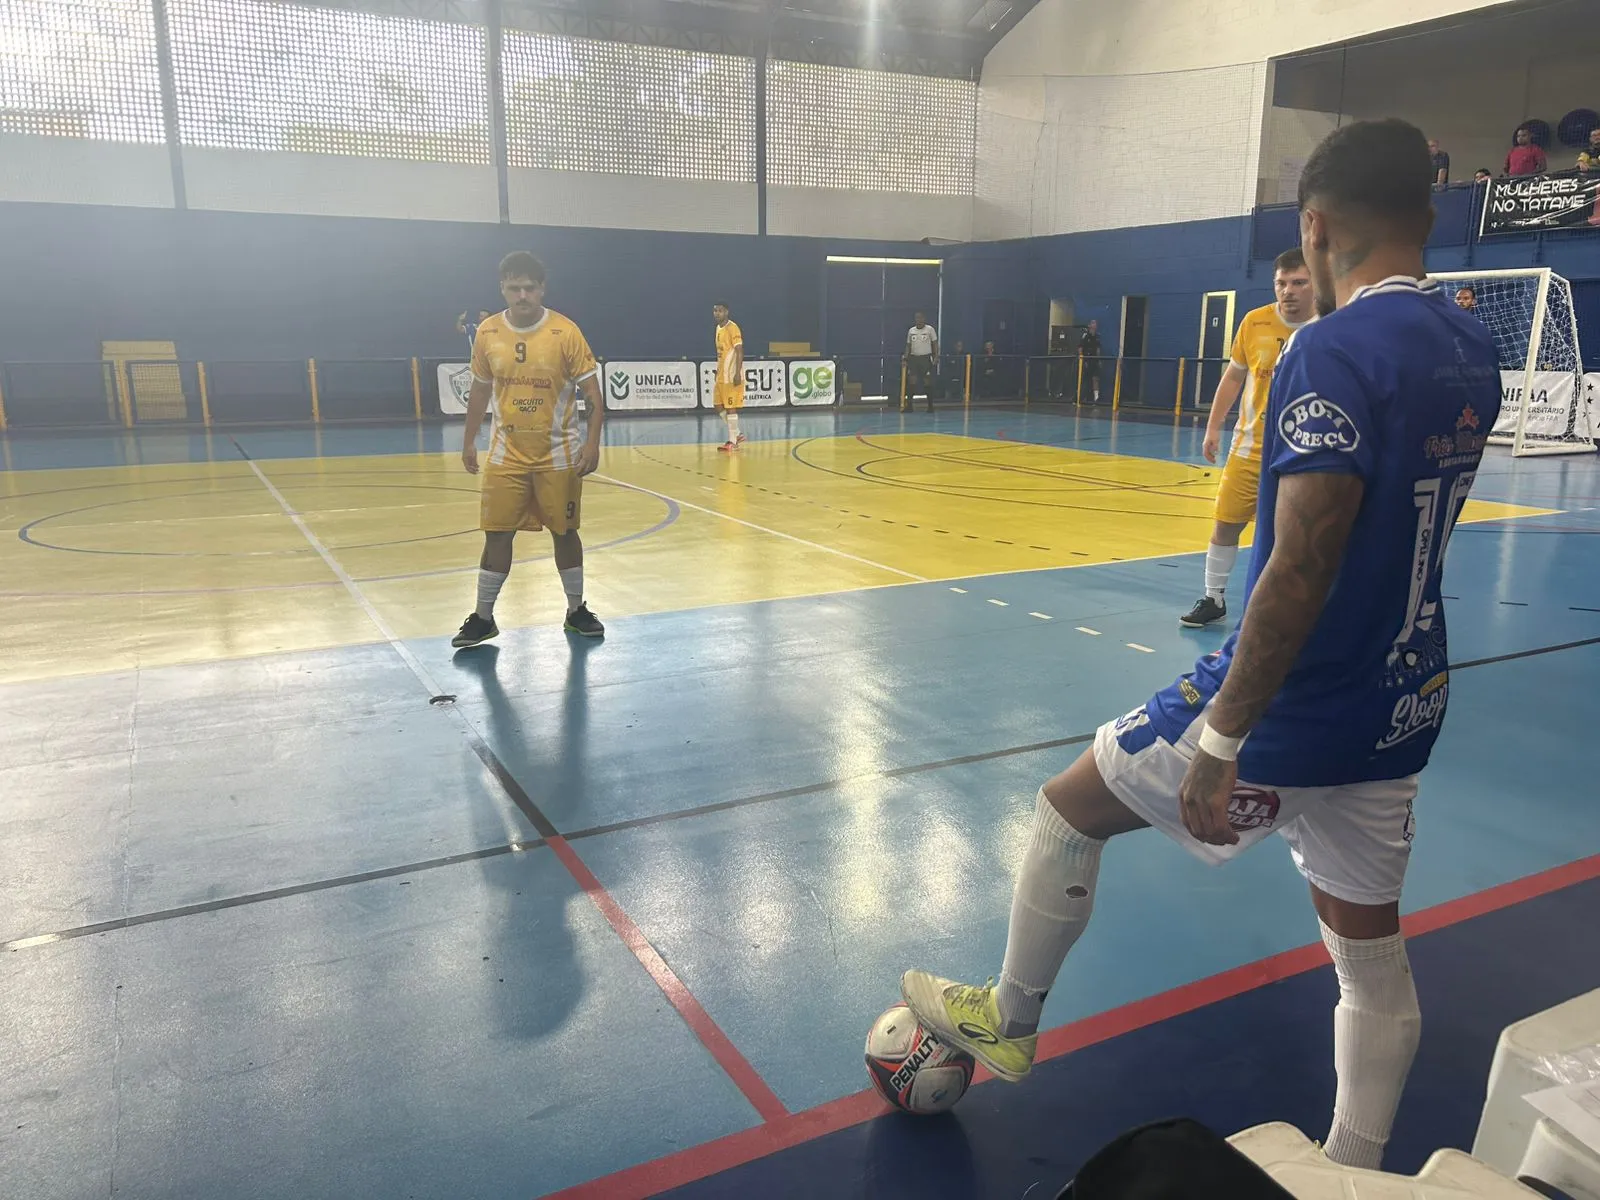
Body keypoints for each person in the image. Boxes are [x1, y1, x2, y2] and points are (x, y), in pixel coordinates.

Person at [899, 117, 1502, 1173]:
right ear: (1427, 213)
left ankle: (1008, 1013)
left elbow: (1304, 560)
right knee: (1368, 956)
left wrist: (1222, 739)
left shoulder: (1331, 346)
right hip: (1402, 702)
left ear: (1315, 228)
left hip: (1290, 704)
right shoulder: (1469, 343)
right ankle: (1349, 1168)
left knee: (1066, 807)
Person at [452, 252, 605, 648]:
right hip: (507, 455)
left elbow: (593, 394)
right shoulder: (487, 333)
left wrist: (592, 443)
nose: (522, 295)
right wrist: (469, 441)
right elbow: (480, 391)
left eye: (530, 288)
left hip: (559, 455)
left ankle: (576, 610)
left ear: (542, 289)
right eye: (514, 287)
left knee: (565, 532)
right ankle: (483, 618)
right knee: (497, 535)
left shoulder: (565, 332)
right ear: (502, 287)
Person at [1179, 247, 1315, 627]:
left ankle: (1288, 604)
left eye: (1299, 282)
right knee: (1225, 522)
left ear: (1315, 283)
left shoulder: (1331, 323)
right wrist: (1212, 426)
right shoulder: (1254, 322)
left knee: (1295, 533)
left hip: (1305, 450)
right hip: (1251, 447)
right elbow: (1235, 376)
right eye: (1281, 283)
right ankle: (1213, 597)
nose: (1288, 291)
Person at [712, 301, 745, 452]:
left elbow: (739, 350)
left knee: (731, 407)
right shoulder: (718, 328)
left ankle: (733, 442)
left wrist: (737, 373)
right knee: (718, 405)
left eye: (720, 310)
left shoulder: (733, 328)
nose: (717, 313)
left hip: (731, 375)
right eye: (715, 311)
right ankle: (737, 434)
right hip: (721, 375)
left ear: (726, 312)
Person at [905, 313, 938, 413]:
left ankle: (930, 406)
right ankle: (909, 406)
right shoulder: (911, 331)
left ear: (924, 319)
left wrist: (936, 356)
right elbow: (908, 345)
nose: (918, 320)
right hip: (914, 358)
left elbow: (935, 343)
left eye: (920, 318)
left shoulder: (930, 329)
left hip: (926, 358)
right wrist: (905, 358)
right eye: (916, 318)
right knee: (912, 381)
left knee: (927, 381)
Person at [1079, 319, 1103, 403]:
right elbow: (1080, 348)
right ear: (1089, 325)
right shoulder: (1085, 336)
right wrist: (1082, 358)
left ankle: (1096, 398)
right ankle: (1082, 397)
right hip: (1086, 361)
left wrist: (1099, 360)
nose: (1095, 325)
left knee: (1095, 378)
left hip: (1094, 360)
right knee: (1085, 380)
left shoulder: (1097, 336)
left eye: (1096, 324)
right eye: (1093, 323)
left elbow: (1098, 349)